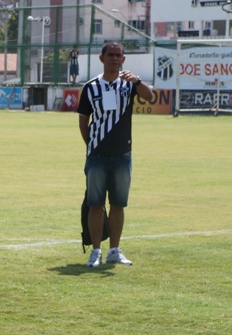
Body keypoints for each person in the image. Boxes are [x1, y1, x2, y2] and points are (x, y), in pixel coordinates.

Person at [77, 41, 153, 268]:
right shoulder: (90, 87)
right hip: (97, 156)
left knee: (118, 204)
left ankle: (114, 251)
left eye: (118, 55)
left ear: (123, 59)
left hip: (122, 155)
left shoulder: (129, 84)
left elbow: (149, 96)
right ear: (101, 58)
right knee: (95, 204)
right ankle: (96, 252)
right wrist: (91, 145)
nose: (114, 58)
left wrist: (137, 81)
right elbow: (83, 120)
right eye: (110, 55)